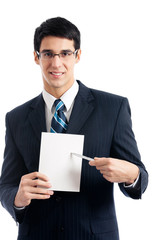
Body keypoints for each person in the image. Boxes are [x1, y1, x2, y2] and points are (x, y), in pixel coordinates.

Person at [0, 17, 148, 240]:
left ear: (77, 55)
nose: (56, 63)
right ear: (36, 57)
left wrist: (131, 175)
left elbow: (140, 177)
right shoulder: (16, 118)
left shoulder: (113, 108)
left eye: (65, 53)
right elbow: (7, 185)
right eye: (48, 54)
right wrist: (17, 198)